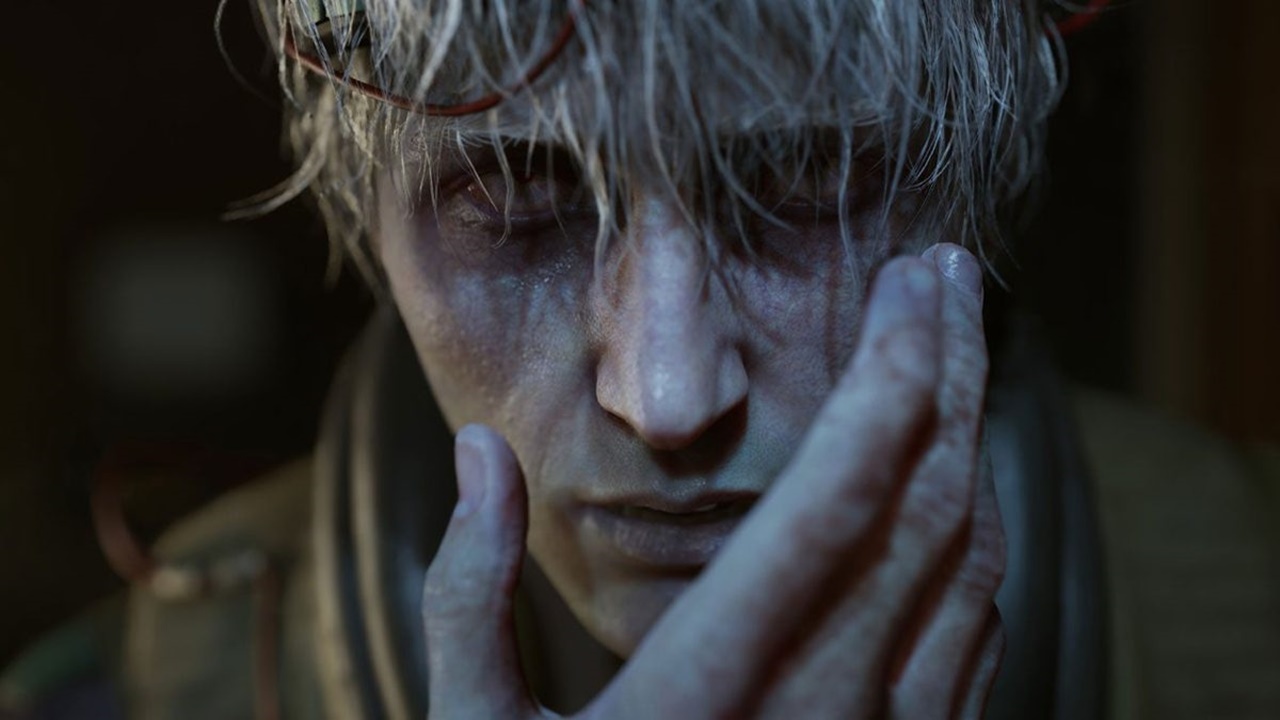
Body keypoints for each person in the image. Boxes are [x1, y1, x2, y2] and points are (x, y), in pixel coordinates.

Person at [4, 1, 1279, 718]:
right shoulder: (114, 699)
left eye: (804, 180)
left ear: (972, 197)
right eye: (512, 196)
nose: (667, 398)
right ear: (367, 220)